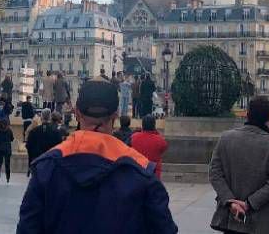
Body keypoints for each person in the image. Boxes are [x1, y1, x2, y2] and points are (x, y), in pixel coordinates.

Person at [17, 79, 177, 233]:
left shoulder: (46, 167)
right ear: (115, 115)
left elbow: (27, 227)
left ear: (77, 113)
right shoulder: (140, 170)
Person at [209, 96, 269, 233]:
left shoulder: (226, 138)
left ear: (247, 114)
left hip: (232, 218)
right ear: (267, 117)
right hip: (262, 222)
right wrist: (249, 203)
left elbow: (215, 174)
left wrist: (230, 201)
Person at [131, 115, 168, 179]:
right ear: (154, 125)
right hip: (154, 172)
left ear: (142, 125)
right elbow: (163, 149)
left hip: (138, 170)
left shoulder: (134, 137)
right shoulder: (160, 140)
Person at [0, 118, 14, 184]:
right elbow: (12, 139)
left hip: (0, 149)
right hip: (7, 149)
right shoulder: (9, 130)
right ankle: (8, 178)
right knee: (7, 164)